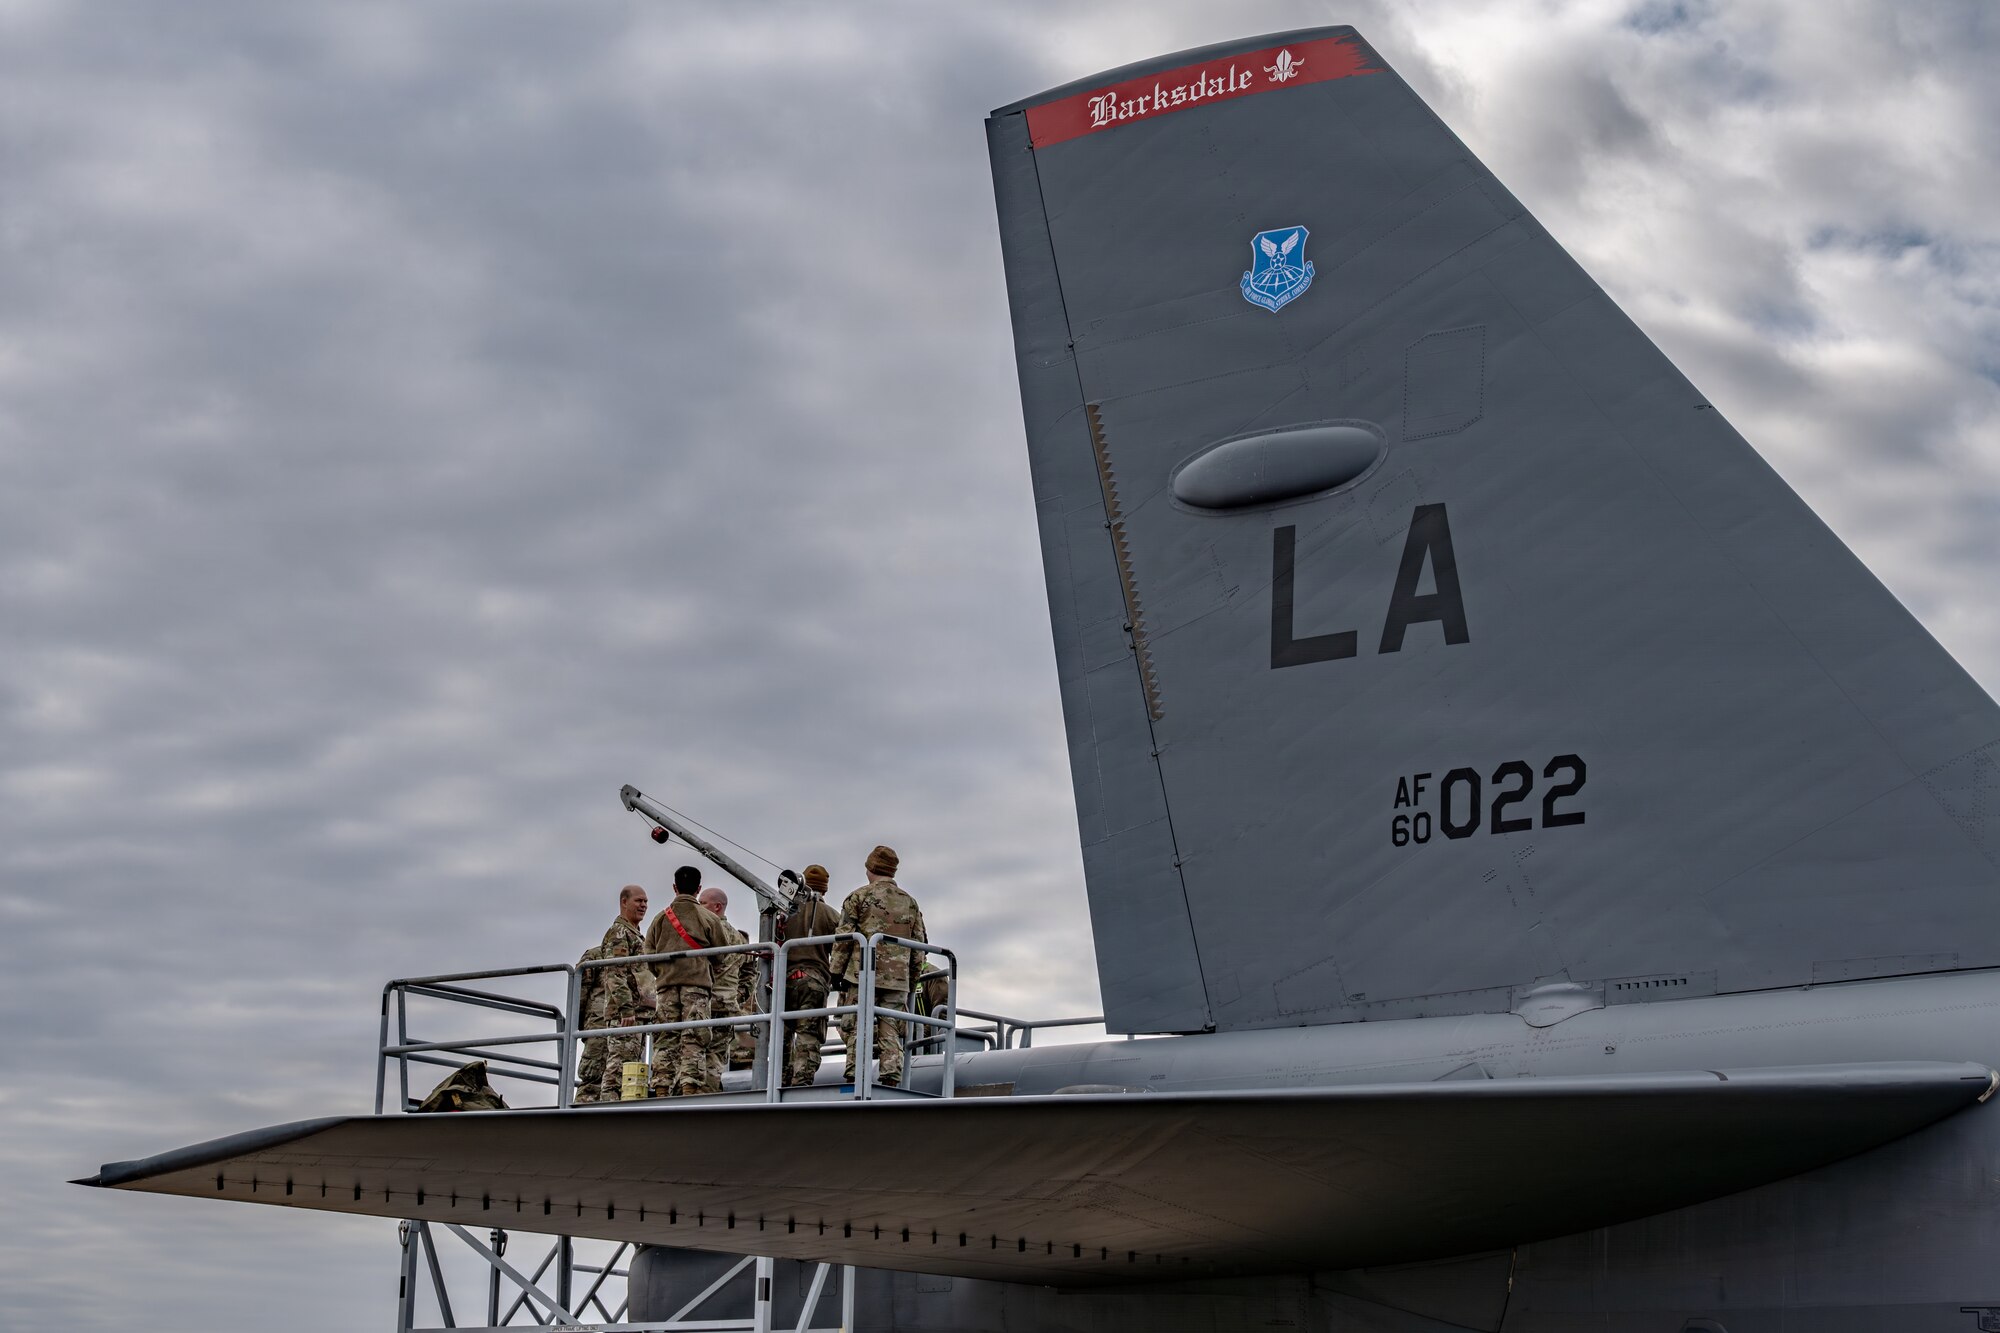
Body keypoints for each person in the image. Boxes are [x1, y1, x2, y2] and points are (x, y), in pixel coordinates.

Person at [828, 845, 927, 1088]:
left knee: (857, 1026)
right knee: (890, 1027)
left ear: (870, 868)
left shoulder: (858, 897)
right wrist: (912, 978)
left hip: (862, 976)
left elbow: (844, 939)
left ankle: (854, 1077)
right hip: (898, 980)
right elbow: (919, 946)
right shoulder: (910, 903)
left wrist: (835, 973)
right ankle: (891, 1078)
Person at [644, 866, 729, 1096]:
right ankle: (690, 1087)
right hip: (697, 987)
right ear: (698, 888)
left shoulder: (659, 919)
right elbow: (721, 954)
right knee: (694, 1037)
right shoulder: (708, 917)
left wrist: (664, 972)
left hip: (666, 987)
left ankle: (661, 1088)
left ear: (675, 887)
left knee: (666, 1038)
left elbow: (648, 955)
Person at [593, 885, 655, 1102]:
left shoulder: (634, 934)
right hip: (626, 1015)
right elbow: (614, 974)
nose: (643, 905)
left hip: (638, 1014)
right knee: (618, 1069)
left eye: (645, 901)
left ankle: (622, 1109)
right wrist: (626, 1009)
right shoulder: (619, 933)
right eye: (638, 901)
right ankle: (608, 1110)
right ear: (624, 902)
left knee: (632, 1071)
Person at [781, 864, 841, 1086]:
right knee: (808, 1035)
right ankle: (801, 1084)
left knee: (781, 1036)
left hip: (782, 981)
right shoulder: (831, 915)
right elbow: (842, 951)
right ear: (824, 889)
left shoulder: (782, 912)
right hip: (814, 981)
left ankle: (779, 1082)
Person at [696, 886, 748, 1088]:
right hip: (726, 1005)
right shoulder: (738, 937)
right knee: (716, 1058)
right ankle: (712, 1094)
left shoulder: (707, 933)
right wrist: (740, 994)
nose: (698, 907)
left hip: (704, 1003)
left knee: (694, 1054)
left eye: (702, 903)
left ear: (717, 907)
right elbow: (750, 970)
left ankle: (698, 1096)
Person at [572, 944, 608, 1104]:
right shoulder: (596, 955)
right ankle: (582, 1115)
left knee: (618, 1079)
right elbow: (579, 994)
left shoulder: (639, 954)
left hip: (625, 1029)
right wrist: (578, 1024)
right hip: (599, 1026)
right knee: (592, 1078)